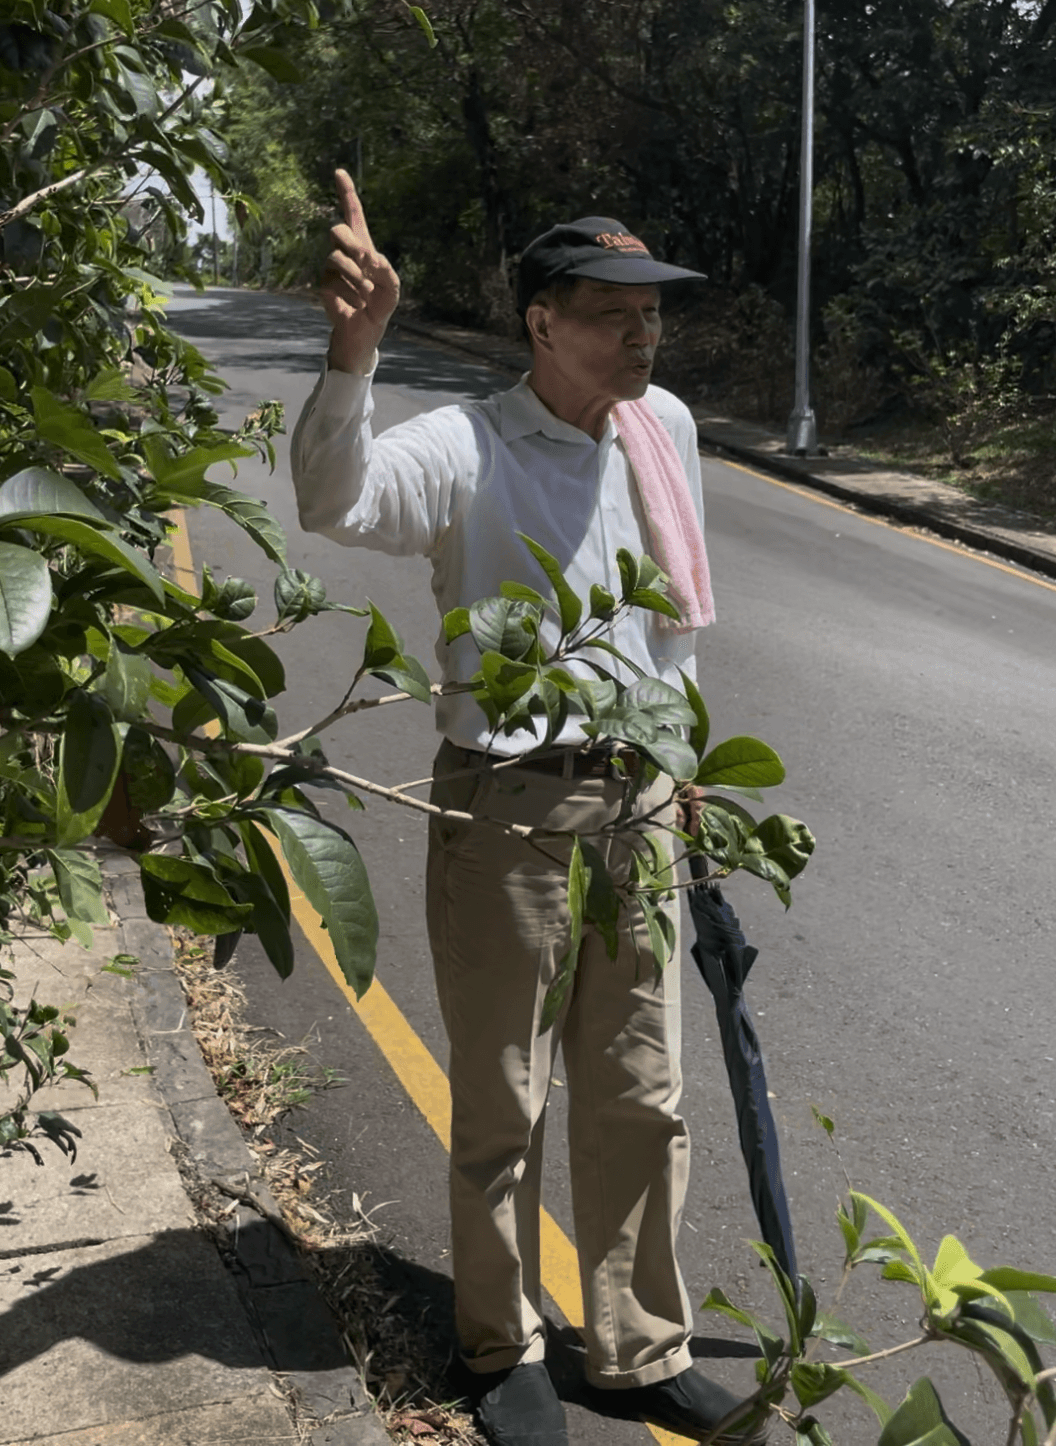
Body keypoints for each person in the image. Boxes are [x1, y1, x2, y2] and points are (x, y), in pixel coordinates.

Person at [290, 172, 766, 1446]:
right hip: (510, 808)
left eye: (651, 314)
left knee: (643, 1092)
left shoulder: (664, 426)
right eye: (612, 313)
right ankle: (502, 1343)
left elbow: (675, 620)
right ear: (542, 322)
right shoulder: (467, 445)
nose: (642, 336)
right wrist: (357, 347)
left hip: (644, 803)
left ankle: (637, 1347)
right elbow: (333, 500)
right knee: (505, 1098)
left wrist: (694, 769)